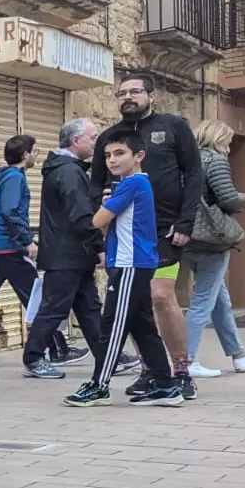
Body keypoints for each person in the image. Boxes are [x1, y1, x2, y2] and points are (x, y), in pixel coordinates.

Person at [91, 72, 202, 400]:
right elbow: (95, 183)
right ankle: (152, 371)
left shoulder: (174, 127)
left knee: (160, 297)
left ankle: (181, 372)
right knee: (136, 304)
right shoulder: (109, 137)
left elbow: (193, 173)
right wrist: (99, 215)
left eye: (135, 91)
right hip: (125, 237)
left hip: (165, 231)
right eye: (122, 93)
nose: (128, 97)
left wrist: (186, 222)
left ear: (151, 96)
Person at [66, 128, 184, 408]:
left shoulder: (132, 184)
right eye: (108, 155)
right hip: (133, 262)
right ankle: (165, 385)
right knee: (143, 327)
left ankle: (99, 385)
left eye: (120, 154)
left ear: (139, 156)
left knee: (113, 325)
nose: (112, 160)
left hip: (130, 264)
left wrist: (101, 208)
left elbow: (97, 222)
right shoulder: (133, 185)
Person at [0, 134, 79, 376]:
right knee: (40, 299)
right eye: (35, 151)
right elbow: (10, 212)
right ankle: (57, 349)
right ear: (25, 154)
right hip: (10, 248)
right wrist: (26, 240)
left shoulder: (3, 176)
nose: (36, 155)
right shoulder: (13, 178)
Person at [183, 119, 245, 377]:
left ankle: (239, 354)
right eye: (227, 143)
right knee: (202, 302)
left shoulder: (184, 160)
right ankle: (185, 361)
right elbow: (227, 198)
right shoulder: (214, 161)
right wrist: (244, 200)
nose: (228, 149)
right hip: (211, 241)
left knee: (220, 299)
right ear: (216, 139)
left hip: (186, 238)